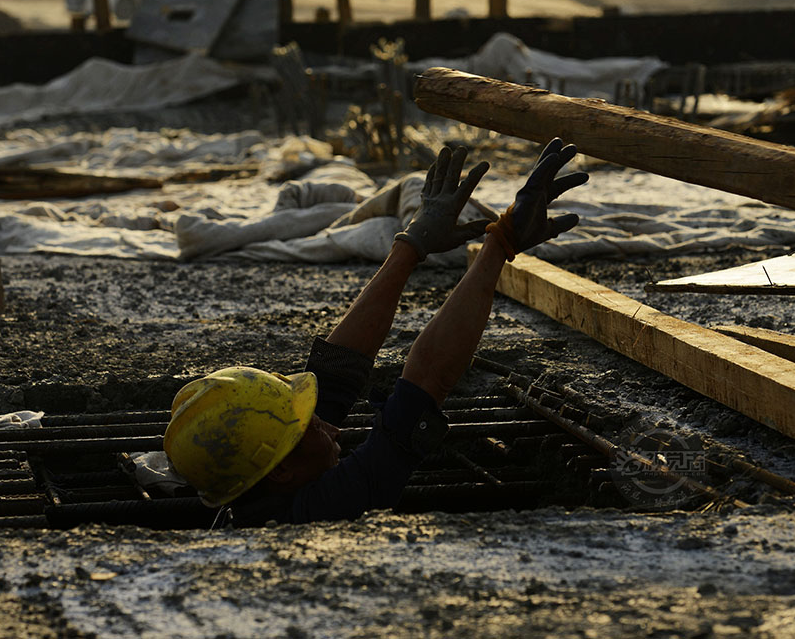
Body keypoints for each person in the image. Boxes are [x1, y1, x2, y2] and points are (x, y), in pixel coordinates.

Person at [163, 139, 589, 525]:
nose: (333, 427)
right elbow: (425, 385)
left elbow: (337, 370)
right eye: (310, 426)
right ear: (280, 470)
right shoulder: (319, 513)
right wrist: (501, 242)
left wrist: (413, 242)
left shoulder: (262, 486)